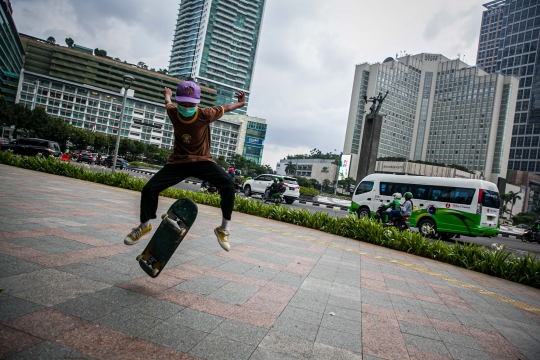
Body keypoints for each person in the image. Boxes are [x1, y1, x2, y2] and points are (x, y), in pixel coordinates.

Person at [124, 81, 246, 251]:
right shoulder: (174, 112)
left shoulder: (205, 114)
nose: (186, 107)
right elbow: (168, 103)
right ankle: (144, 226)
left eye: (190, 105)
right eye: (183, 104)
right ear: (178, 102)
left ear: (197, 103)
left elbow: (226, 107)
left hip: (202, 161)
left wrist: (240, 103)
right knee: (149, 189)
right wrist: (167, 95)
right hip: (178, 163)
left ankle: (224, 229)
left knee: (228, 184)